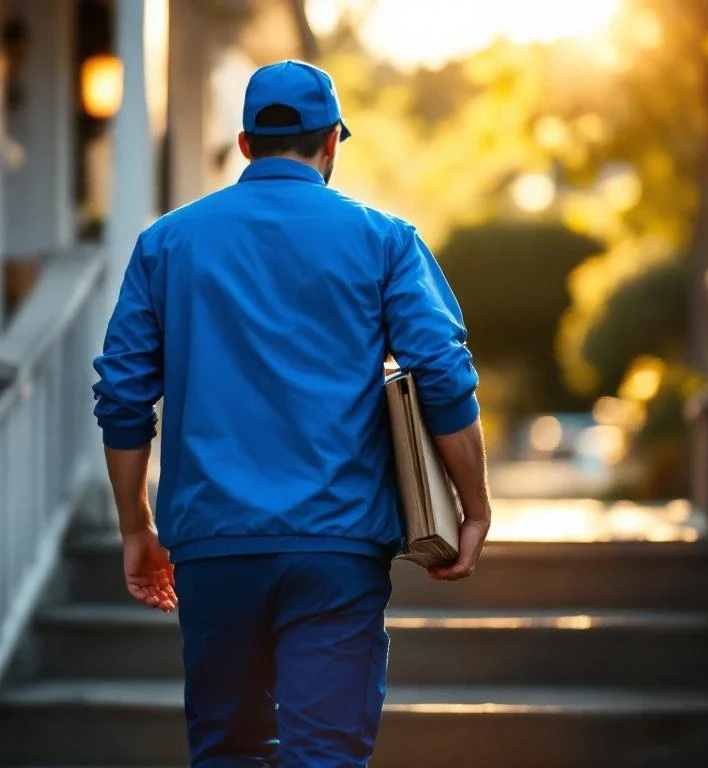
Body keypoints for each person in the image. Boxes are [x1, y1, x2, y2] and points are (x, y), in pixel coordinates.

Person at [93, 59, 491, 768]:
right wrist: (473, 505)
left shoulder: (167, 243)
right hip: (336, 547)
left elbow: (123, 395)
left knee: (228, 754)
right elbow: (441, 372)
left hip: (214, 547)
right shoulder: (384, 239)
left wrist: (136, 526)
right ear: (332, 140)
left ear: (245, 145)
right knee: (324, 759)